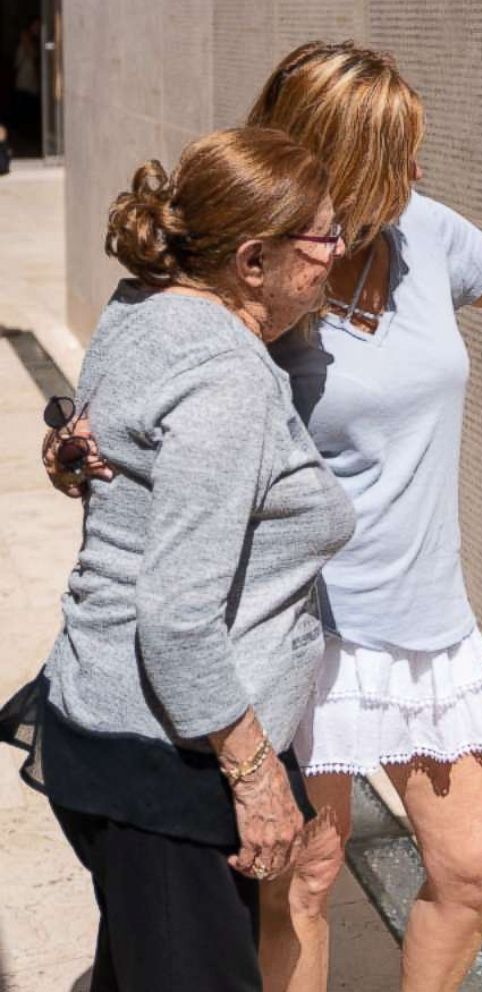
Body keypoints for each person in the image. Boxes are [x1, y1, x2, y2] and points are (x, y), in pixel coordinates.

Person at [45, 42, 482, 992]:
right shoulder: (257, 276)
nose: (419, 173)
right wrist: (77, 444)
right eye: (398, 154)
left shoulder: (422, 232)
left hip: (421, 613)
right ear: (332, 163)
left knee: (472, 872)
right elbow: (157, 385)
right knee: (304, 878)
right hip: (302, 623)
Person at [4, 126, 355, 992]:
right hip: (171, 767)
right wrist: (256, 777)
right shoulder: (227, 380)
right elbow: (177, 616)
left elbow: (119, 458)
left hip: (102, 726)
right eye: (325, 237)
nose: (341, 252)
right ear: (251, 259)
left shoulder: (147, 307)